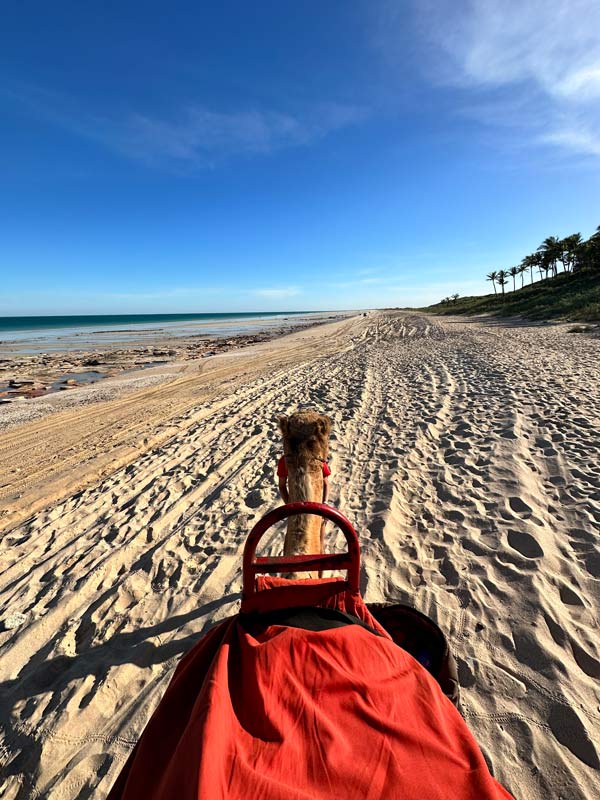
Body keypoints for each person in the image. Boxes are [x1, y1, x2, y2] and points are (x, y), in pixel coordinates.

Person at [277, 455, 331, 550]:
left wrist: (325, 503)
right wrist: (289, 505)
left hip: (316, 507)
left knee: (319, 544)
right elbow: (282, 486)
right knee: (292, 544)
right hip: (296, 509)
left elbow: (326, 483)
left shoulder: (317, 458)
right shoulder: (285, 460)